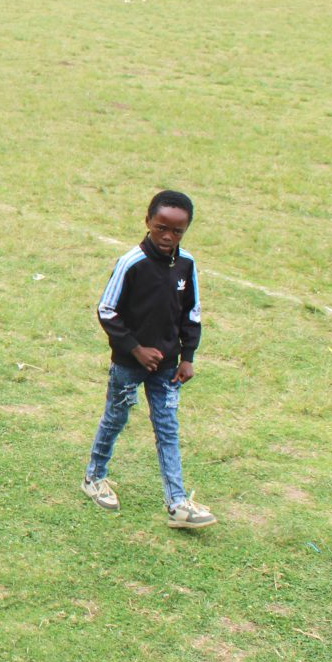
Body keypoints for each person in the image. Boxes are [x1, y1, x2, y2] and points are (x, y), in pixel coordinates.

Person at [82, 190, 215, 530]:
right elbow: (106, 310)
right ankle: (94, 477)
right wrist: (136, 348)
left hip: (167, 367)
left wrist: (187, 357)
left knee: (167, 428)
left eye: (177, 231)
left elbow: (192, 313)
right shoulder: (132, 263)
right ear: (148, 222)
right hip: (129, 365)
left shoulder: (187, 264)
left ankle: (177, 503)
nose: (168, 236)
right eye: (161, 228)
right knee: (116, 418)